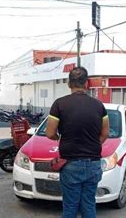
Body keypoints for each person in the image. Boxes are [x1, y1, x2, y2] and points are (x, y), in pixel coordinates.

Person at [46, 67, 109, 218]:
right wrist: (92, 143)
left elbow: (49, 133)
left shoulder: (59, 104)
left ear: (69, 83)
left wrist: (59, 138)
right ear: (87, 84)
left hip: (70, 164)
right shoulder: (99, 105)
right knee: (88, 205)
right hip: (93, 163)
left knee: (70, 207)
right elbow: (105, 134)